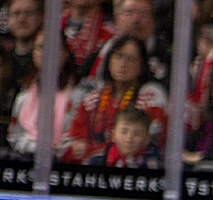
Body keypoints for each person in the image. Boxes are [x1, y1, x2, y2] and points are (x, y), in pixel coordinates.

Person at [60, 34, 167, 164]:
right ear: (109, 60)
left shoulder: (150, 96)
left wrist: (93, 150)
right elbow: (70, 137)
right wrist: (76, 146)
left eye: (130, 58)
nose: (123, 63)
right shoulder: (92, 99)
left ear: (142, 65)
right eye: (118, 56)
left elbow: (148, 143)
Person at [5, 31, 77, 159]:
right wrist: (36, 148)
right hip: (25, 158)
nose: (47, 52)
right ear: (33, 53)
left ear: (65, 53)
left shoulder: (78, 92)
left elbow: (76, 136)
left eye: (53, 46)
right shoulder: (23, 92)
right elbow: (14, 135)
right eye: (41, 47)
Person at [87, 106, 161, 168]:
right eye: (124, 132)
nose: (129, 139)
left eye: (137, 134)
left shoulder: (155, 165)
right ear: (113, 135)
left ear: (147, 139)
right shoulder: (97, 163)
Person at [6, 0, 43, 87]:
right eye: (16, 13)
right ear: (8, 19)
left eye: (28, 13)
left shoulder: (46, 61)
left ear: (40, 18)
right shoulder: (3, 61)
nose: (21, 19)